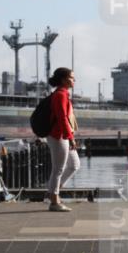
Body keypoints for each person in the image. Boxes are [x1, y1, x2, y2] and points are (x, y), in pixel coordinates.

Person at [46, 67, 80, 212]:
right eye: (72, 78)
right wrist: (70, 137)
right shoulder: (60, 95)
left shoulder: (64, 94)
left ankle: (53, 190)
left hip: (63, 135)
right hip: (58, 136)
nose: (74, 80)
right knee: (58, 169)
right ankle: (54, 201)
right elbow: (62, 118)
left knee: (74, 165)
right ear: (63, 79)